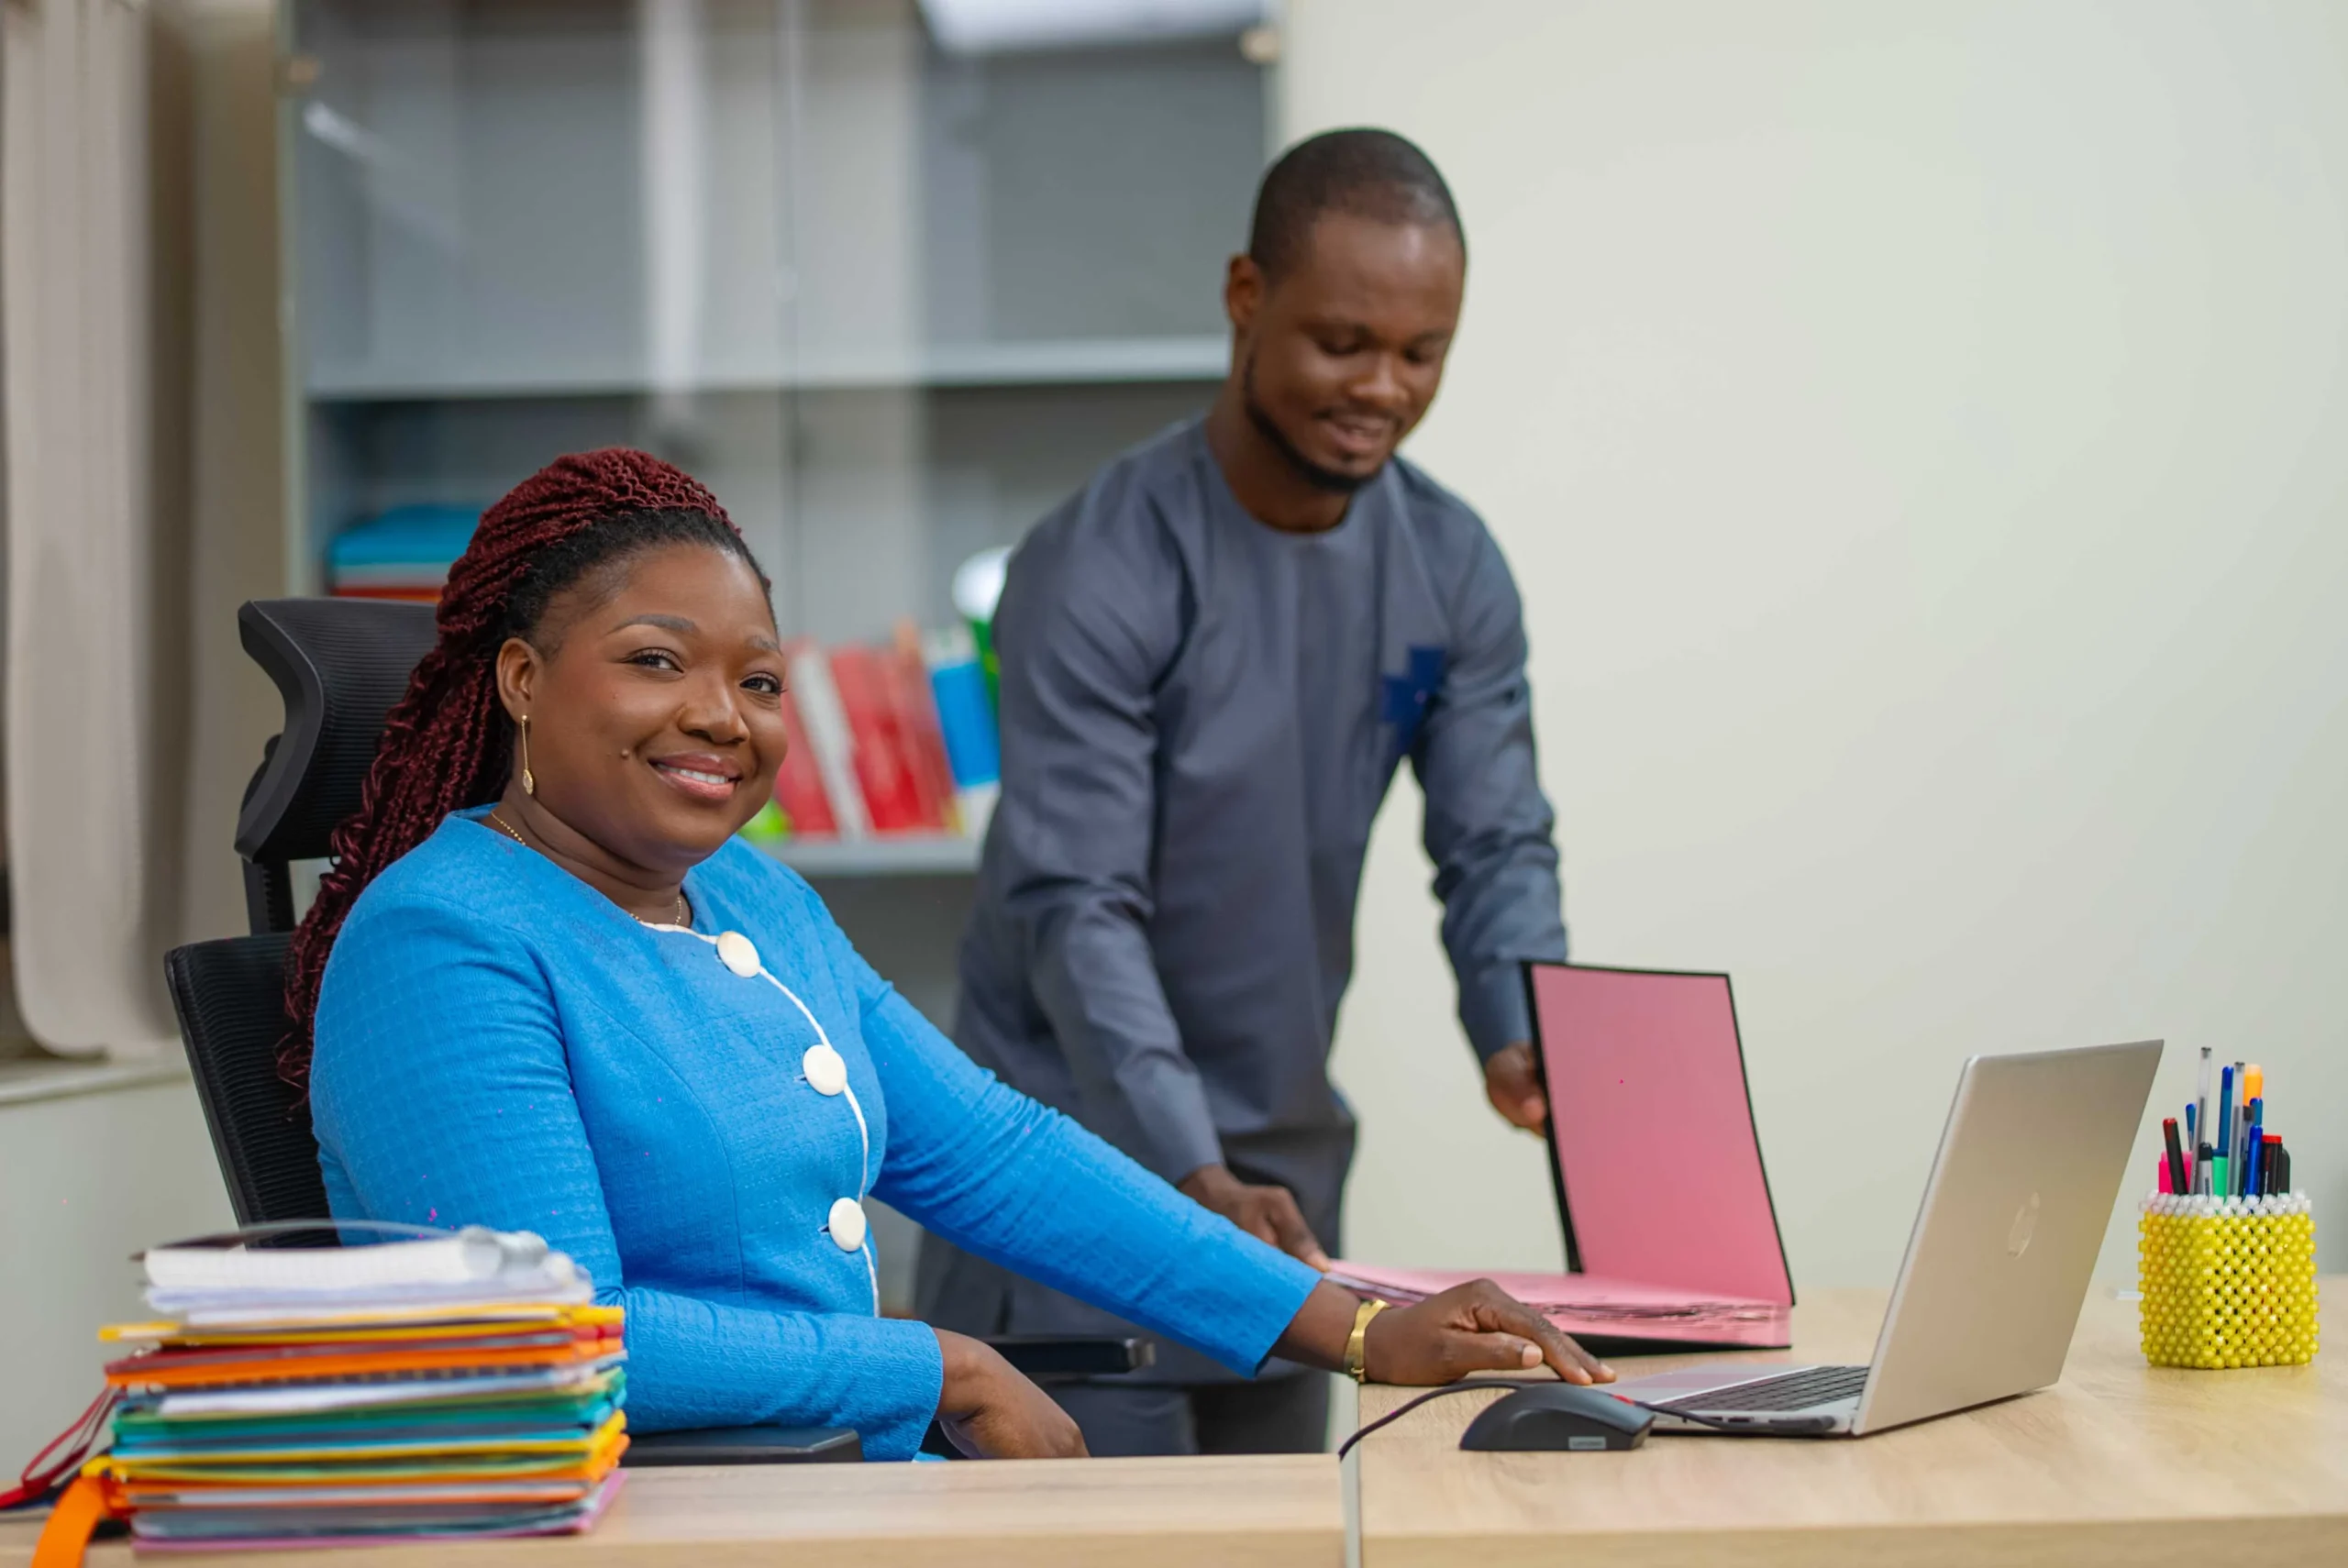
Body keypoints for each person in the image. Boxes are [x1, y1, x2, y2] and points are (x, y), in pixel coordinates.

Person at [293, 447, 1609, 1463]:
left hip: (850, 1503)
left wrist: (1364, 1328)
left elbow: (995, 1151)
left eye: (760, 681)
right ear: (522, 679)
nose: (722, 717)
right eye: (656, 662)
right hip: (659, 1528)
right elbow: (554, 1338)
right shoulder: (441, 941)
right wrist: (938, 1367)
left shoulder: (750, 896)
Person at [923, 127, 1569, 1455]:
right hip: (1076, 1184)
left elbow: (1497, 837)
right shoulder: (1097, 565)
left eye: (1422, 353)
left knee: (1284, 1533)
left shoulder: (1450, 564)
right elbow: (1077, 908)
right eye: (1343, 342)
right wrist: (1186, 1168)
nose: (1382, 387)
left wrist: (1526, 1027)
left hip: (1280, 1199)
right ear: (1245, 297)